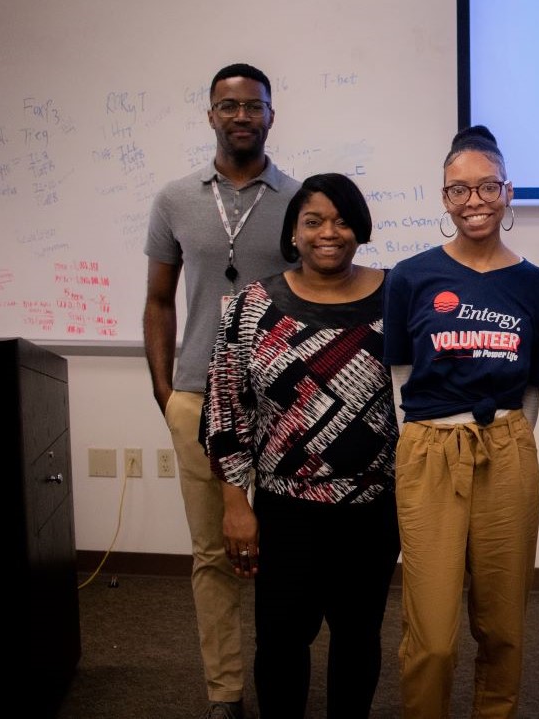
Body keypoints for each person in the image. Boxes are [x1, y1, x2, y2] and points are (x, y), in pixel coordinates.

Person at [203, 173, 399, 718]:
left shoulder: (396, 299)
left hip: (371, 509)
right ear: (293, 232)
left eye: (340, 220)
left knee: (358, 642)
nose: (327, 233)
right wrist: (235, 504)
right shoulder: (250, 308)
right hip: (286, 511)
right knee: (281, 643)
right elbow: (224, 411)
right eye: (313, 221)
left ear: (359, 228)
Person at [143, 62, 300, 719]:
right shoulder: (176, 199)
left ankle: (279, 679)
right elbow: (157, 301)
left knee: (283, 551)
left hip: (283, 405)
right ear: (210, 115)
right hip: (197, 401)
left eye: (253, 105)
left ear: (270, 114)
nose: (241, 115)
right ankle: (225, 693)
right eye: (228, 105)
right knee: (213, 553)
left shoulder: (299, 201)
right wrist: (167, 391)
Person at [385, 126, 539, 719]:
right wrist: (431, 428)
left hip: (505, 448)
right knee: (431, 636)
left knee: (502, 626)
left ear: (508, 192)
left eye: (487, 187)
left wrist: (513, 434)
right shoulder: (410, 277)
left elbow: (534, 380)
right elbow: (402, 371)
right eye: (460, 190)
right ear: (444, 198)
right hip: (430, 449)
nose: (474, 200)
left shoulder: (536, 285)